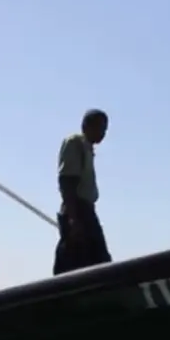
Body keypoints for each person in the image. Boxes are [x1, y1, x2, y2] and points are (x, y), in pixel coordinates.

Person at [53, 109, 111, 276]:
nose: (103, 133)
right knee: (78, 258)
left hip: (86, 209)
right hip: (78, 210)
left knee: (95, 260)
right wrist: (73, 219)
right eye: (100, 128)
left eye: (105, 129)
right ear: (87, 126)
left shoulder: (88, 149)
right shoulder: (75, 143)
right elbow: (67, 181)